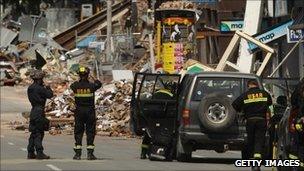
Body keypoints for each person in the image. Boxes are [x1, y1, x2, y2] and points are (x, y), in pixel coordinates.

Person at [232, 79, 272, 171]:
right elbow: (270, 103)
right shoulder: (265, 94)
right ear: (256, 85)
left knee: (252, 140)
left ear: (249, 85)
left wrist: (242, 111)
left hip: (250, 121)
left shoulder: (245, 95)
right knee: (259, 140)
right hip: (262, 120)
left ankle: (253, 162)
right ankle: (257, 162)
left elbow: (234, 105)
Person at [70, 66, 102, 160]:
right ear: (88, 75)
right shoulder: (92, 86)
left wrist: (79, 77)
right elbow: (99, 83)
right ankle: (90, 154)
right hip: (89, 111)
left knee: (78, 132)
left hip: (79, 111)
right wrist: (92, 76)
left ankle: (78, 154)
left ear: (79, 75)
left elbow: (72, 85)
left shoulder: (75, 86)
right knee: (90, 132)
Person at [140, 82, 176, 159]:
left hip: (151, 118)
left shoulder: (155, 94)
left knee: (147, 135)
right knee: (167, 135)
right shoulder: (172, 96)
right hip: (164, 118)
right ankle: (166, 152)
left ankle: (143, 153)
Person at [27, 69, 53, 159]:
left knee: (33, 132)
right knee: (39, 133)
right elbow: (50, 95)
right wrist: (48, 87)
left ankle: (30, 152)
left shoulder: (30, 88)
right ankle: (39, 153)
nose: (42, 80)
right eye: (42, 79)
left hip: (33, 110)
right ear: (39, 79)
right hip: (39, 111)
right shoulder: (40, 88)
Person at [289, 78, 304, 170]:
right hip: (300, 122)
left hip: (299, 121)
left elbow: (293, 102)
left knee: (297, 144)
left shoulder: (300, 85)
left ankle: (295, 166)